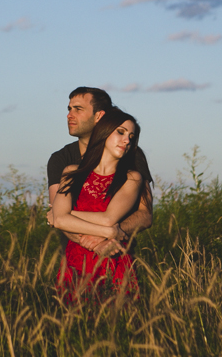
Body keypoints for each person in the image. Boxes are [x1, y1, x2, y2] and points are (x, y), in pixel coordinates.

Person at [51, 107, 145, 301]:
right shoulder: (71, 172)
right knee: (75, 324)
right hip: (76, 263)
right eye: (120, 132)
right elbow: (60, 221)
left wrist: (65, 214)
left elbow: (109, 218)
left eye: (131, 136)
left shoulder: (132, 178)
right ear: (104, 132)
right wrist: (107, 233)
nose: (127, 140)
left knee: (117, 323)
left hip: (113, 258)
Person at [47, 87, 153, 257]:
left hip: (117, 253)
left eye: (78, 109)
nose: (69, 115)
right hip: (75, 259)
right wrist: (94, 244)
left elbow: (145, 215)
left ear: (99, 116)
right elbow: (59, 220)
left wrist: (108, 236)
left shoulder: (132, 155)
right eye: (69, 109)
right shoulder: (62, 160)